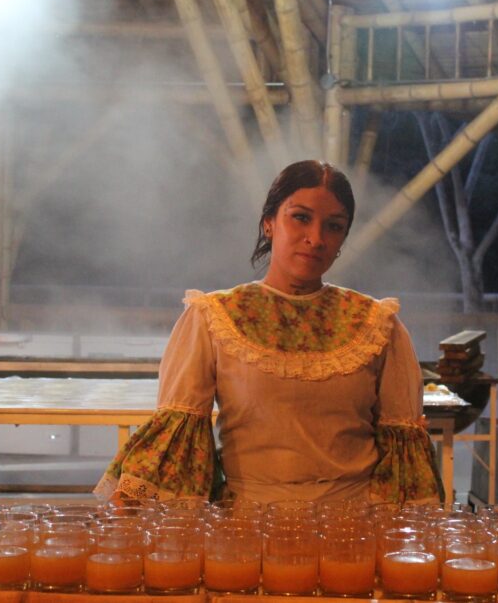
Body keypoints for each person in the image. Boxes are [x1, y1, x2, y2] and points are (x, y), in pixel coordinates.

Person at [96, 160, 443, 504]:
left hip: (352, 535)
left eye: (334, 226)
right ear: (269, 224)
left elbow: (402, 461)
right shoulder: (213, 318)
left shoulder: (378, 325)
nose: (316, 238)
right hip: (248, 531)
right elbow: (176, 440)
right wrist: (124, 518)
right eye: (301, 218)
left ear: (342, 240)